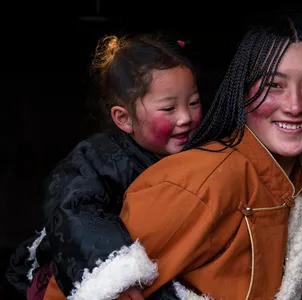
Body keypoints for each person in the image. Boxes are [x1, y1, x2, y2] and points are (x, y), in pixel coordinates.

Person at [118, 13, 302, 299]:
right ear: (241, 91)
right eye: (274, 85)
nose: (295, 106)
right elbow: (93, 286)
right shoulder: (202, 181)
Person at [5, 32, 202, 300]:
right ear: (124, 118)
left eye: (193, 102)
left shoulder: (202, 152)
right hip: (81, 265)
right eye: (168, 108)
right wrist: (115, 275)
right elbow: (74, 209)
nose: (185, 117)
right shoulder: (99, 158)